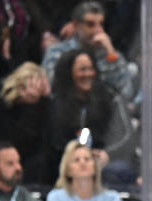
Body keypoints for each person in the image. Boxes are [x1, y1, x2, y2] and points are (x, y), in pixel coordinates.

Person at [47, 48, 135, 189]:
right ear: (69, 73)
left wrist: (106, 154)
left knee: (119, 170)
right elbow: (52, 140)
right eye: (82, 69)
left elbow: (126, 136)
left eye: (90, 68)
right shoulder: (54, 102)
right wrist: (77, 156)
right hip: (65, 160)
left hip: (103, 162)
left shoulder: (110, 98)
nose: (88, 74)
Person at [41, 2, 133, 102]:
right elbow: (51, 88)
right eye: (90, 25)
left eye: (101, 24)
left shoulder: (111, 55)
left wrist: (111, 55)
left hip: (103, 113)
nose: (98, 30)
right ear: (76, 25)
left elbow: (126, 93)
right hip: (67, 112)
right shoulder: (56, 52)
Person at [0, 62, 52, 186]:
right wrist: (30, 108)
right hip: (2, 160)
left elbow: (44, 143)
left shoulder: (44, 108)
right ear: (20, 85)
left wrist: (41, 104)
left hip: (35, 168)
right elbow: (11, 142)